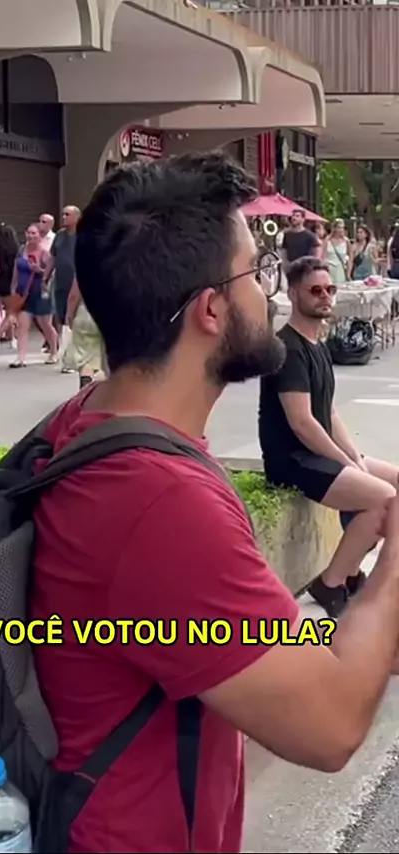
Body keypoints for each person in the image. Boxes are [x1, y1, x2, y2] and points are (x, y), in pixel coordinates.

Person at [29, 153, 399, 854]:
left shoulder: (93, 420)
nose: (269, 294)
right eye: (256, 274)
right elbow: (329, 728)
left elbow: (216, 636)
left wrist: (348, 642)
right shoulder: (157, 502)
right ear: (210, 309)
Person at [259, 255, 399, 616]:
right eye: (315, 290)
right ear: (293, 294)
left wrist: (353, 457)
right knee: (383, 497)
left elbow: (329, 412)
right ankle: (331, 584)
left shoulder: (317, 345)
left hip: (318, 454)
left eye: (330, 289)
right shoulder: (288, 349)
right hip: (292, 459)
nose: (325, 296)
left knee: (395, 482)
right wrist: (346, 464)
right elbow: (302, 423)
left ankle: (354, 573)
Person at [8, 223, 58, 369]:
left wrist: (39, 270)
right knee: (22, 326)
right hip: (23, 293)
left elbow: (50, 273)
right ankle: (21, 357)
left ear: (40, 236)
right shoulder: (21, 250)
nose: (31, 236)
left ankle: (54, 351)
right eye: (29, 233)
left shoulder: (44, 253)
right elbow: (16, 271)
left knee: (45, 324)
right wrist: (13, 289)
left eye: (34, 233)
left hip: (40, 293)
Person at [44, 205, 80, 372]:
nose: (64, 217)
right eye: (63, 214)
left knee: (75, 319)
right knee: (62, 319)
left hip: (79, 285)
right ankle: (66, 354)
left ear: (77, 217)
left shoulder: (83, 235)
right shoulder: (59, 236)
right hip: (61, 283)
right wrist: (45, 276)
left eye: (68, 214)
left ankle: (72, 358)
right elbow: (52, 258)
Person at [0, 223, 20, 347]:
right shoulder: (16, 250)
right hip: (11, 281)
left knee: (9, 311)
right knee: (12, 312)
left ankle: (12, 339)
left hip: (0, 280)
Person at [322, 217, 352, 284]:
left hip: (340, 268)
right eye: (339, 227)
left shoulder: (346, 241)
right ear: (334, 228)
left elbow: (350, 257)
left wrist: (348, 273)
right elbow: (322, 255)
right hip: (329, 268)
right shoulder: (327, 240)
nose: (341, 230)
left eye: (342, 227)